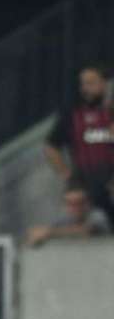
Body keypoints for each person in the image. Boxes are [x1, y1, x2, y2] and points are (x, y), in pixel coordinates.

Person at [43, 64, 114, 225]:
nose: (85, 89)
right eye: (83, 84)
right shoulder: (72, 115)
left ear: (105, 83)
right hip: (88, 188)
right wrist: (67, 174)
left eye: (91, 83)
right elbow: (50, 145)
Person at [26, 182, 110, 247]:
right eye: (70, 204)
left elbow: (86, 231)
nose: (76, 208)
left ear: (88, 203)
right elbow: (36, 234)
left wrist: (48, 233)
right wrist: (37, 236)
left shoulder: (97, 215)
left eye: (80, 202)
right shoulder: (64, 219)